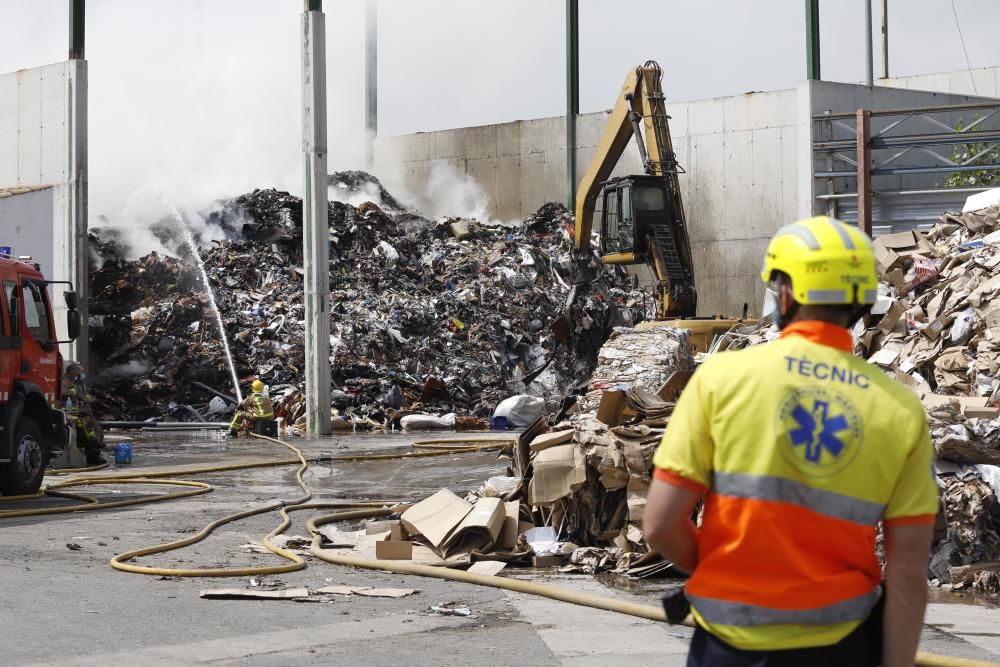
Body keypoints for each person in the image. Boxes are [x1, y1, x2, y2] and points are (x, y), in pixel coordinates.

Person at [644, 216, 938, 667]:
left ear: (785, 292)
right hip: (842, 645)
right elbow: (909, 570)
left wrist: (722, 569)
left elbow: (661, 525)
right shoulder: (899, 409)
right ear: (862, 301)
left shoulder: (721, 380)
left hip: (728, 644)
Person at [63, 362, 105, 464]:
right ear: (73, 371)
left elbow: (85, 394)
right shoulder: (66, 381)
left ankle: (94, 455)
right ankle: (92, 456)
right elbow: (66, 393)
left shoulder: (79, 382)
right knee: (88, 433)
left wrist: (88, 398)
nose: (82, 371)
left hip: (85, 412)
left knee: (97, 431)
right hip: (75, 413)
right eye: (79, 369)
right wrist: (76, 393)